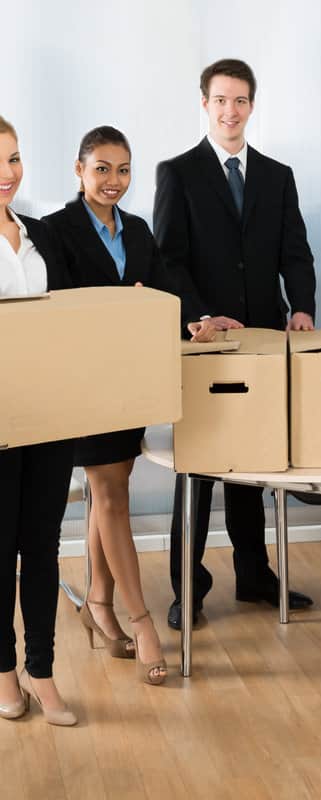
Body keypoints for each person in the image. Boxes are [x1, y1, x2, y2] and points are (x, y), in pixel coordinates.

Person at [44, 127, 214, 684]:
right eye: (101, 169)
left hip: (130, 384)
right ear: (79, 170)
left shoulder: (137, 229)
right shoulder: (56, 231)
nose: (113, 181)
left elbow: (165, 289)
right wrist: (127, 306)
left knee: (108, 487)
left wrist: (197, 320)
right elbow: (63, 308)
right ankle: (141, 621)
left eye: (122, 170)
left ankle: (98, 601)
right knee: (112, 495)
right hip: (86, 387)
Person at [154, 58, 316, 630]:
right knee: (198, 467)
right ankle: (187, 589)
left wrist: (300, 307)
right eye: (221, 100)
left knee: (254, 463)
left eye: (241, 100)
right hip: (203, 344)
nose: (231, 110)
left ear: (252, 105)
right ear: (205, 103)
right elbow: (167, 258)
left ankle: (255, 576)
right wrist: (199, 315)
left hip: (267, 341)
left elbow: (295, 250)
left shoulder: (277, 175)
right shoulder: (178, 172)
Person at [0, 116, 77, 725]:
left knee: (43, 548)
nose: (8, 174)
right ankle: (4, 674)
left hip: (51, 413)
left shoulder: (40, 234)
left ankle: (43, 673)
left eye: (15, 158)